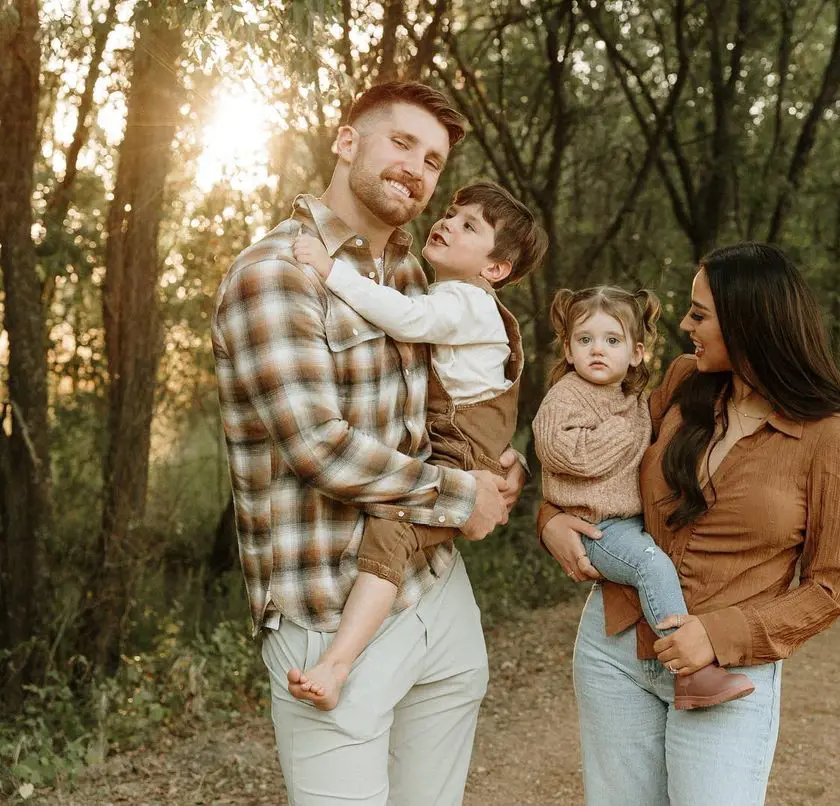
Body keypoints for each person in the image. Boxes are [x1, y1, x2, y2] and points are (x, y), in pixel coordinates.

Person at [212, 81, 527, 805]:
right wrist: (461, 496)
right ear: (347, 141)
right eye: (401, 143)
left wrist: (502, 464)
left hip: (437, 594)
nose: (417, 167)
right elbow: (318, 447)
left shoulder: (415, 273)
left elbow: (466, 384)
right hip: (331, 614)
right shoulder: (275, 275)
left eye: (434, 160)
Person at [539, 242, 840, 806]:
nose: (684, 325)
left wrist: (717, 635)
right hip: (617, 652)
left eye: (699, 313)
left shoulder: (833, 439)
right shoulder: (681, 382)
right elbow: (596, 465)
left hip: (726, 674)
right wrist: (551, 518)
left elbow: (828, 589)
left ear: (750, 324)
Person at [285, 180, 547, 710]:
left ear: (494, 269)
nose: (448, 222)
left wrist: (329, 269)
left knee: (392, 528)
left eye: (469, 225)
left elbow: (405, 319)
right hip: (465, 442)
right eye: (452, 212)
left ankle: (338, 664)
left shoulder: (468, 302)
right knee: (399, 523)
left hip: (462, 449)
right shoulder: (455, 298)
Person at [532, 286, 755, 710]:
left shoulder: (629, 398)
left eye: (611, 341)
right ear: (568, 348)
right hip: (597, 526)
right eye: (585, 340)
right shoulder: (567, 394)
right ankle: (691, 671)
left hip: (625, 522)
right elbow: (565, 453)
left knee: (655, 558)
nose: (597, 350)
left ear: (636, 353)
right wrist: (627, 428)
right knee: (651, 564)